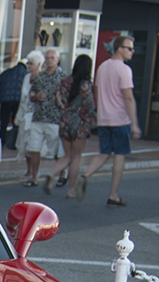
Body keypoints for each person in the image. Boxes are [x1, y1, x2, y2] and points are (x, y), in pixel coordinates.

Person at [82, 35, 142, 207]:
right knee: (119, 155)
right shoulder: (124, 70)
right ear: (119, 48)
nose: (132, 51)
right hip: (120, 119)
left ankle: (85, 175)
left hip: (104, 118)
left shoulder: (102, 68)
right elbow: (128, 98)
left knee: (104, 153)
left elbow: (97, 91)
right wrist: (135, 124)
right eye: (129, 48)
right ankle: (113, 195)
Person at [43, 54, 95, 199]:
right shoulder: (85, 84)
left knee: (67, 155)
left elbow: (55, 100)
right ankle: (70, 190)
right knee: (76, 156)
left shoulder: (64, 81)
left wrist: (65, 109)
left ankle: (51, 174)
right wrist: (92, 118)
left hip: (65, 120)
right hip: (80, 122)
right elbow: (89, 105)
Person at [22, 47, 66, 187]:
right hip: (38, 117)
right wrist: (35, 96)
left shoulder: (63, 77)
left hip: (54, 118)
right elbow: (31, 95)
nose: (49, 61)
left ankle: (62, 173)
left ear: (58, 60)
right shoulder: (40, 76)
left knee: (56, 150)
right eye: (47, 58)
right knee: (34, 148)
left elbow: (67, 99)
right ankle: (34, 177)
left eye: (52, 58)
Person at [14, 51, 43, 181]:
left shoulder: (42, 78)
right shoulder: (26, 77)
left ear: (38, 64)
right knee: (24, 144)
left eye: (32, 64)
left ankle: (35, 172)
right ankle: (29, 170)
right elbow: (22, 97)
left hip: (36, 116)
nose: (29, 66)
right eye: (28, 63)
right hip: (25, 114)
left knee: (34, 145)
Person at [0, 57, 28, 151]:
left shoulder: (7, 72)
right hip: (18, 100)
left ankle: (1, 140)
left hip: (5, 100)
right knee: (15, 121)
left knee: (4, 121)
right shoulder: (26, 74)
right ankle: (13, 141)